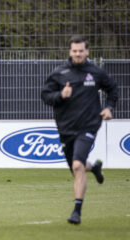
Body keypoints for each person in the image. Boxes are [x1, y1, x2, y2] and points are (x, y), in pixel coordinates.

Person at [41, 35, 118, 224]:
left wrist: (108, 107)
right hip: (66, 128)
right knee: (78, 168)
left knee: (77, 165)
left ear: (87, 51)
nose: (77, 54)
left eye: (81, 51)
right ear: (70, 51)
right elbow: (45, 95)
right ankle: (95, 167)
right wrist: (61, 95)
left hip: (89, 125)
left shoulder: (95, 72)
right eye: (74, 51)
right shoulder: (60, 73)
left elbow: (113, 89)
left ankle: (76, 211)